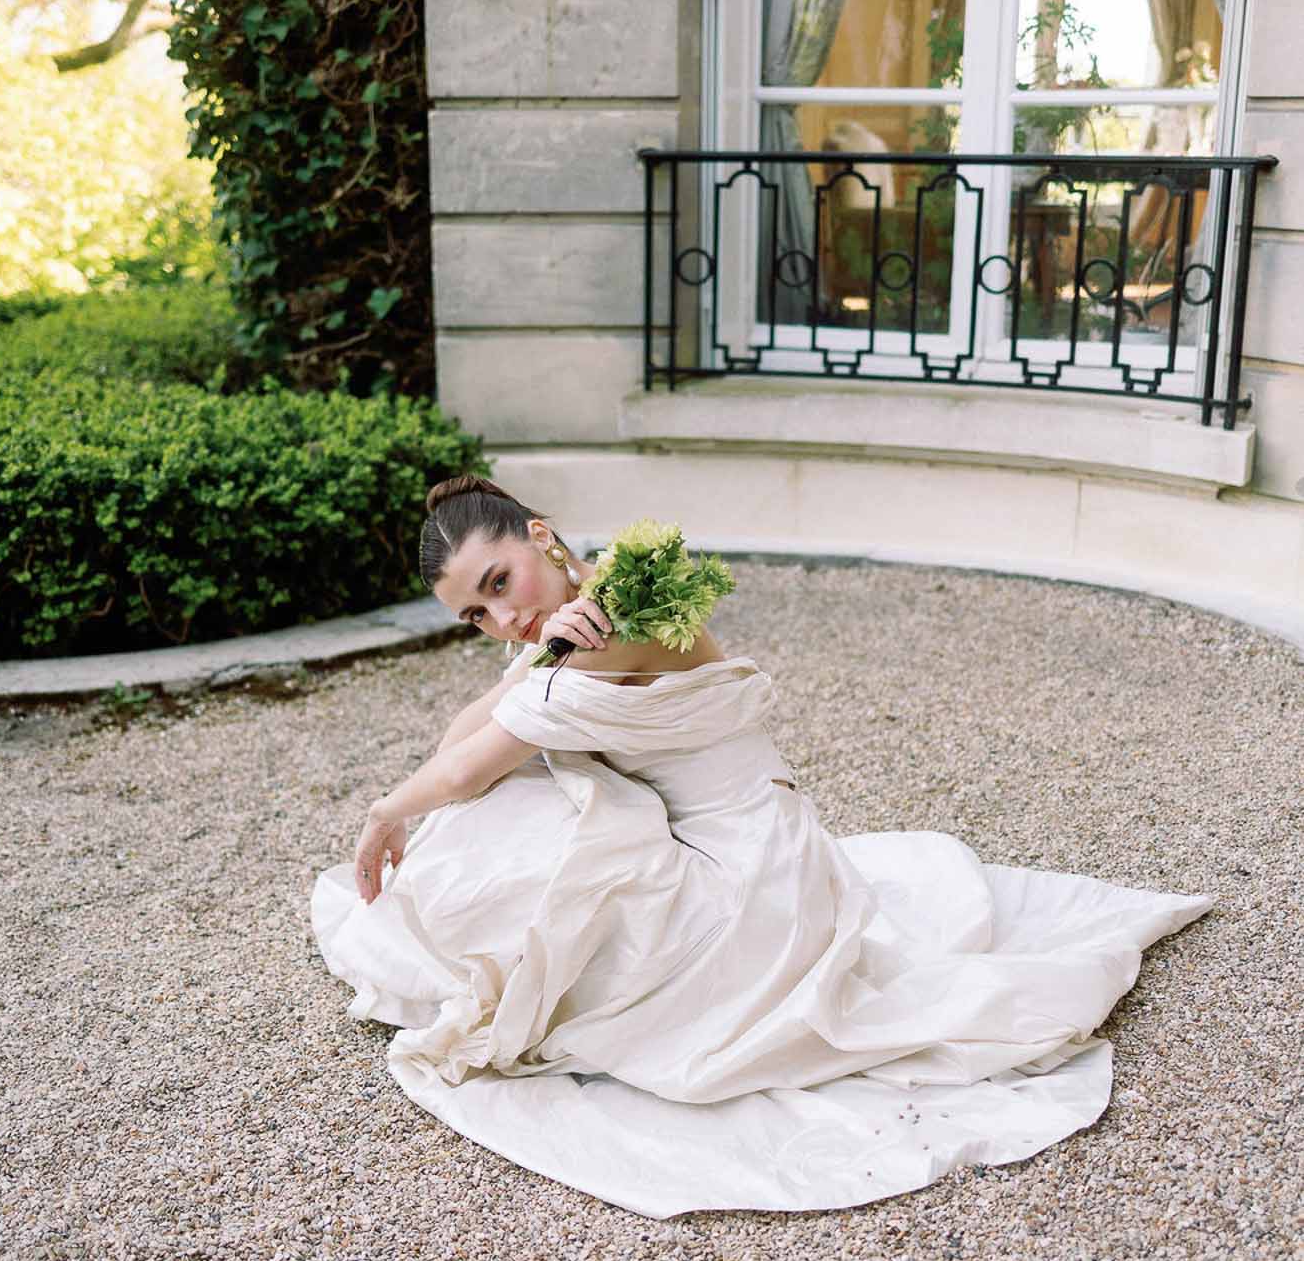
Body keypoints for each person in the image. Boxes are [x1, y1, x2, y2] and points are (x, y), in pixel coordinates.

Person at [309, 474, 1212, 1219]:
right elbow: (467, 732)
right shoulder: (587, 604)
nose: (499, 619)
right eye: (474, 615)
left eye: (498, 584)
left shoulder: (611, 624)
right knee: (513, 810)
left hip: (753, 883)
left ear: (540, 536)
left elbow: (468, 767)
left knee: (490, 811)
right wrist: (526, 656)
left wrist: (384, 812)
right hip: (744, 843)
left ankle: (575, 980)